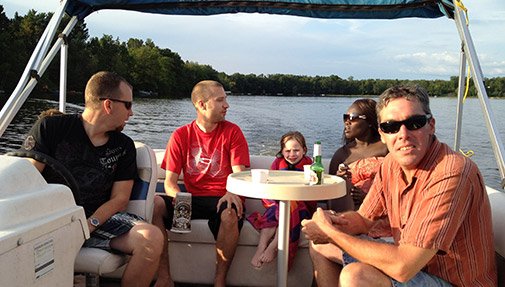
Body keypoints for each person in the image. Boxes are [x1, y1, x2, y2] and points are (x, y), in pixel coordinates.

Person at [302, 85, 497, 287]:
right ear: (383, 134)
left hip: (453, 281)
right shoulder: (391, 165)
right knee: (320, 245)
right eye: (391, 127)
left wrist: (331, 232)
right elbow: (363, 220)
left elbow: (403, 267)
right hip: (415, 268)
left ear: (431, 125)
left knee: (356, 276)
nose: (403, 134)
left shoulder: (451, 172)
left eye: (414, 123)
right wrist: (332, 221)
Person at [20, 71, 163, 287]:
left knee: (151, 239)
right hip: (49, 219)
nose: (131, 113)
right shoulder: (50, 128)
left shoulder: (123, 147)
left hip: (96, 219)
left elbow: (119, 199)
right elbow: (27, 181)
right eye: (128, 105)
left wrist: (88, 225)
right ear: (108, 105)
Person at [152, 80, 250, 287]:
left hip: (223, 198)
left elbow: (239, 175)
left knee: (230, 212)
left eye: (226, 99)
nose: (227, 105)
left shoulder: (233, 132)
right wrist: (178, 198)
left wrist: (232, 192)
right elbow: (169, 182)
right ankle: (164, 278)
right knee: (155, 204)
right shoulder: (181, 135)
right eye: (220, 100)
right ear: (201, 104)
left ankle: (219, 281)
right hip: (192, 198)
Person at [246, 131, 316, 270]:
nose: (292, 154)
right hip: (278, 203)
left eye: (296, 150)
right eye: (287, 151)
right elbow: (269, 186)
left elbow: (312, 191)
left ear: (304, 150)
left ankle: (274, 246)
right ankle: (261, 247)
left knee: (289, 210)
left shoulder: (310, 166)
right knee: (275, 211)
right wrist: (275, 202)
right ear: (282, 151)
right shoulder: (277, 164)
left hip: (301, 206)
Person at [328, 98, 388, 212]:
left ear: (370, 122)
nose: (347, 122)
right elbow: (330, 194)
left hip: (382, 212)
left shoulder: (387, 147)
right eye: (345, 117)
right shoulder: (342, 155)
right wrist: (339, 179)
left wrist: (367, 198)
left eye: (353, 117)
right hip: (349, 213)